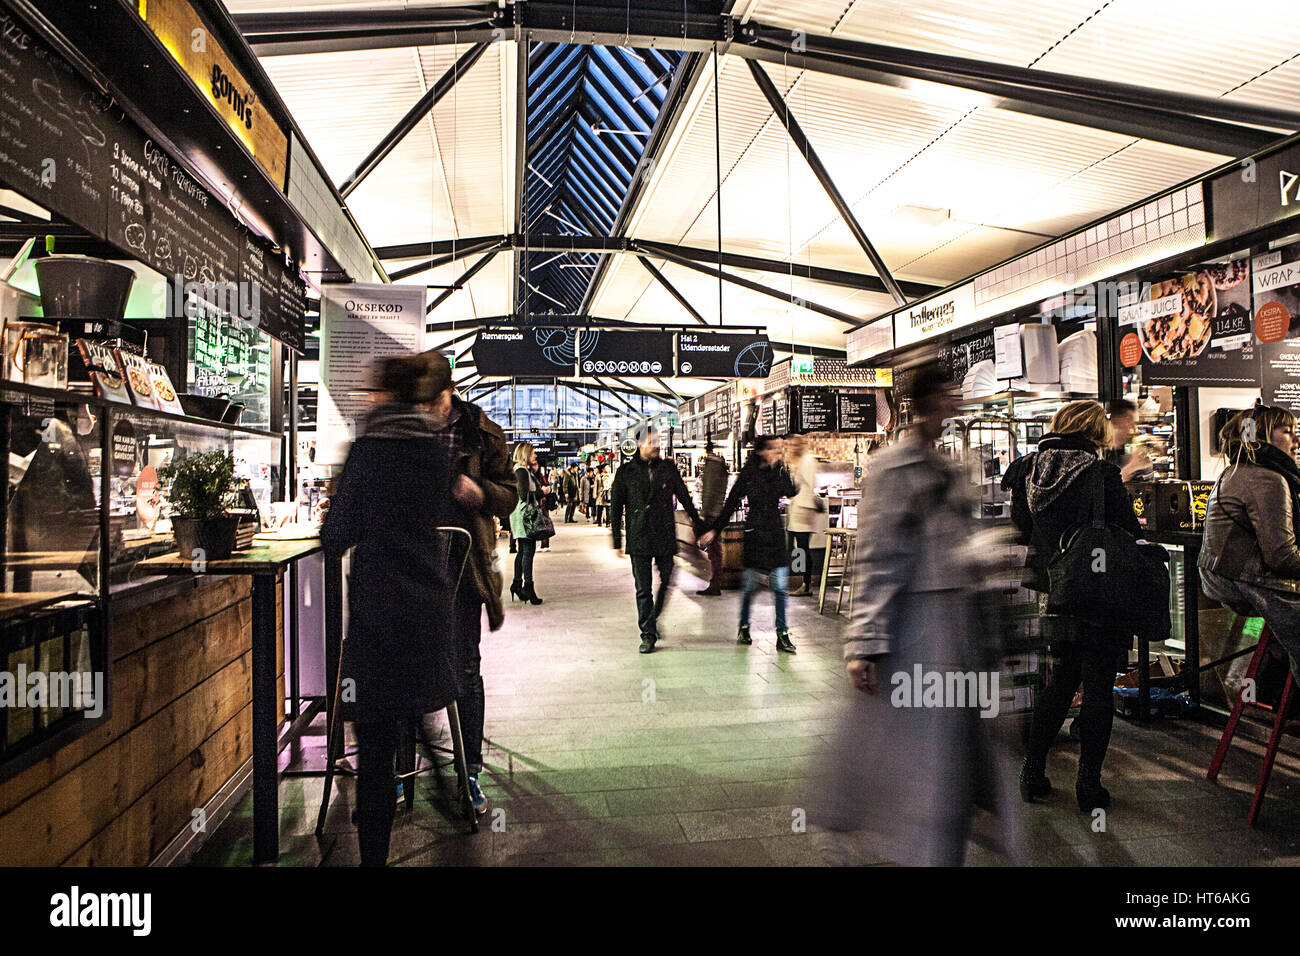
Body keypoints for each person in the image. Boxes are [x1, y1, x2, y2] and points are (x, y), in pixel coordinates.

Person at [814, 363, 1018, 866]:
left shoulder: (948, 466)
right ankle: (899, 834)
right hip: (917, 630)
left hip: (959, 627)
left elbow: (951, 543)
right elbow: (879, 557)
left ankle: (946, 832)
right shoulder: (892, 468)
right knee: (915, 747)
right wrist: (864, 643)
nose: (957, 405)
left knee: (951, 743)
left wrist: (985, 557)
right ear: (925, 403)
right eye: (948, 396)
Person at [321, 354, 463, 866]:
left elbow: (336, 536)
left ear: (384, 394)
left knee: (376, 751)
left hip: (378, 617)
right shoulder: (434, 452)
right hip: (427, 612)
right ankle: (449, 791)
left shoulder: (367, 451)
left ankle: (375, 856)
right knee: (414, 711)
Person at [1002, 399, 1141, 811]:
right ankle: (1088, 784)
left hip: (1053, 592)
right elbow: (1129, 530)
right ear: (1094, 432)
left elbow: (1023, 529)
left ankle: (1032, 771)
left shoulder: (1027, 470)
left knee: (1061, 680)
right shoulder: (1100, 474)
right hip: (1097, 591)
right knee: (1098, 684)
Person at [422, 352, 517, 815]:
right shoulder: (405, 431)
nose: (423, 408)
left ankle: (469, 772)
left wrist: (481, 493)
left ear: (448, 393)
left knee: (464, 667)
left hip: (463, 569)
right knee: (409, 668)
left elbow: (510, 496)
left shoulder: (482, 432)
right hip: (410, 569)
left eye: (430, 400)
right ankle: (399, 772)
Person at [1200, 404, 1300, 674]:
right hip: (1248, 582)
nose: (1296, 439)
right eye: (1287, 431)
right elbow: (1283, 558)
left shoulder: (1234, 471)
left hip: (1223, 578)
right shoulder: (1267, 478)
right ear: (1262, 436)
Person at [610, 427, 704, 654]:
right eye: (653, 441)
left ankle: (652, 617)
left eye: (659, 441)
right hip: (639, 534)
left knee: (668, 578)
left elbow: (684, 497)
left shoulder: (668, 468)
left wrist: (699, 525)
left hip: (664, 533)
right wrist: (616, 540)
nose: (657, 445)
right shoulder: (626, 472)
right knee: (643, 589)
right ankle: (647, 634)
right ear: (641, 444)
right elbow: (615, 508)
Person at [700, 435, 798, 653]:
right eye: (774, 449)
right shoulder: (749, 473)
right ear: (762, 451)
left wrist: (786, 468)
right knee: (750, 587)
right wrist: (714, 530)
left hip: (774, 533)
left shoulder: (779, 471)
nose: (777, 453)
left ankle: (782, 635)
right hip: (755, 534)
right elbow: (731, 501)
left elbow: (791, 491)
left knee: (780, 588)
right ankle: (744, 626)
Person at [785, 433, 825, 597]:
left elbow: (808, 487)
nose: (792, 447)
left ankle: (806, 584)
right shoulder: (798, 461)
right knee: (798, 548)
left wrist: (808, 511)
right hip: (797, 510)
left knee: (803, 548)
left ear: (801, 445)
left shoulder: (807, 460)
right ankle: (803, 581)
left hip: (803, 511)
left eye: (794, 444)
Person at [509, 442, 545, 604]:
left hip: (519, 515)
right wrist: (541, 491)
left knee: (522, 551)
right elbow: (524, 494)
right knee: (528, 551)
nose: (535, 456)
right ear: (525, 455)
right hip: (526, 517)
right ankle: (528, 587)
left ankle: (517, 584)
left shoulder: (520, 470)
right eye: (533, 454)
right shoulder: (521, 471)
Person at [695, 441, 729, 596]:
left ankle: (715, 582)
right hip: (717, 512)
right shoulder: (721, 467)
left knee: (714, 551)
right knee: (714, 550)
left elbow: (708, 494)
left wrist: (703, 514)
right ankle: (715, 580)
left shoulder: (712, 468)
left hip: (711, 515)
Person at [1106, 398, 1150, 481]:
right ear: (1117, 421)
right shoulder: (1102, 452)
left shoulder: (1123, 452)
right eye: (1130, 422)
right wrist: (1132, 467)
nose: (1133, 429)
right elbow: (1107, 486)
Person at [532, 458, 553, 552]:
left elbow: (547, 487)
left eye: (536, 464)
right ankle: (544, 544)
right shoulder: (534, 476)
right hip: (538, 503)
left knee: (542, 524)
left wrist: (545, 490)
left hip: (541, 504)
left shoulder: (539, 476)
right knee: (542, 524)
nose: (534, 466)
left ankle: (545, 544)